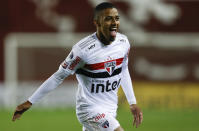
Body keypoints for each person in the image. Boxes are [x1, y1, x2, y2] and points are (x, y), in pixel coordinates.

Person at [12, 2, 143, 131]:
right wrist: (30, 102)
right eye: (108, 19)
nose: (114, 23)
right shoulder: (83, 50)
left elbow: (123, 70)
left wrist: (132, 102)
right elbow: (58, 77)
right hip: (89, 110)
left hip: (110, 109)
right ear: (97, 23)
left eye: (117, 18)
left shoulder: (123, 42)